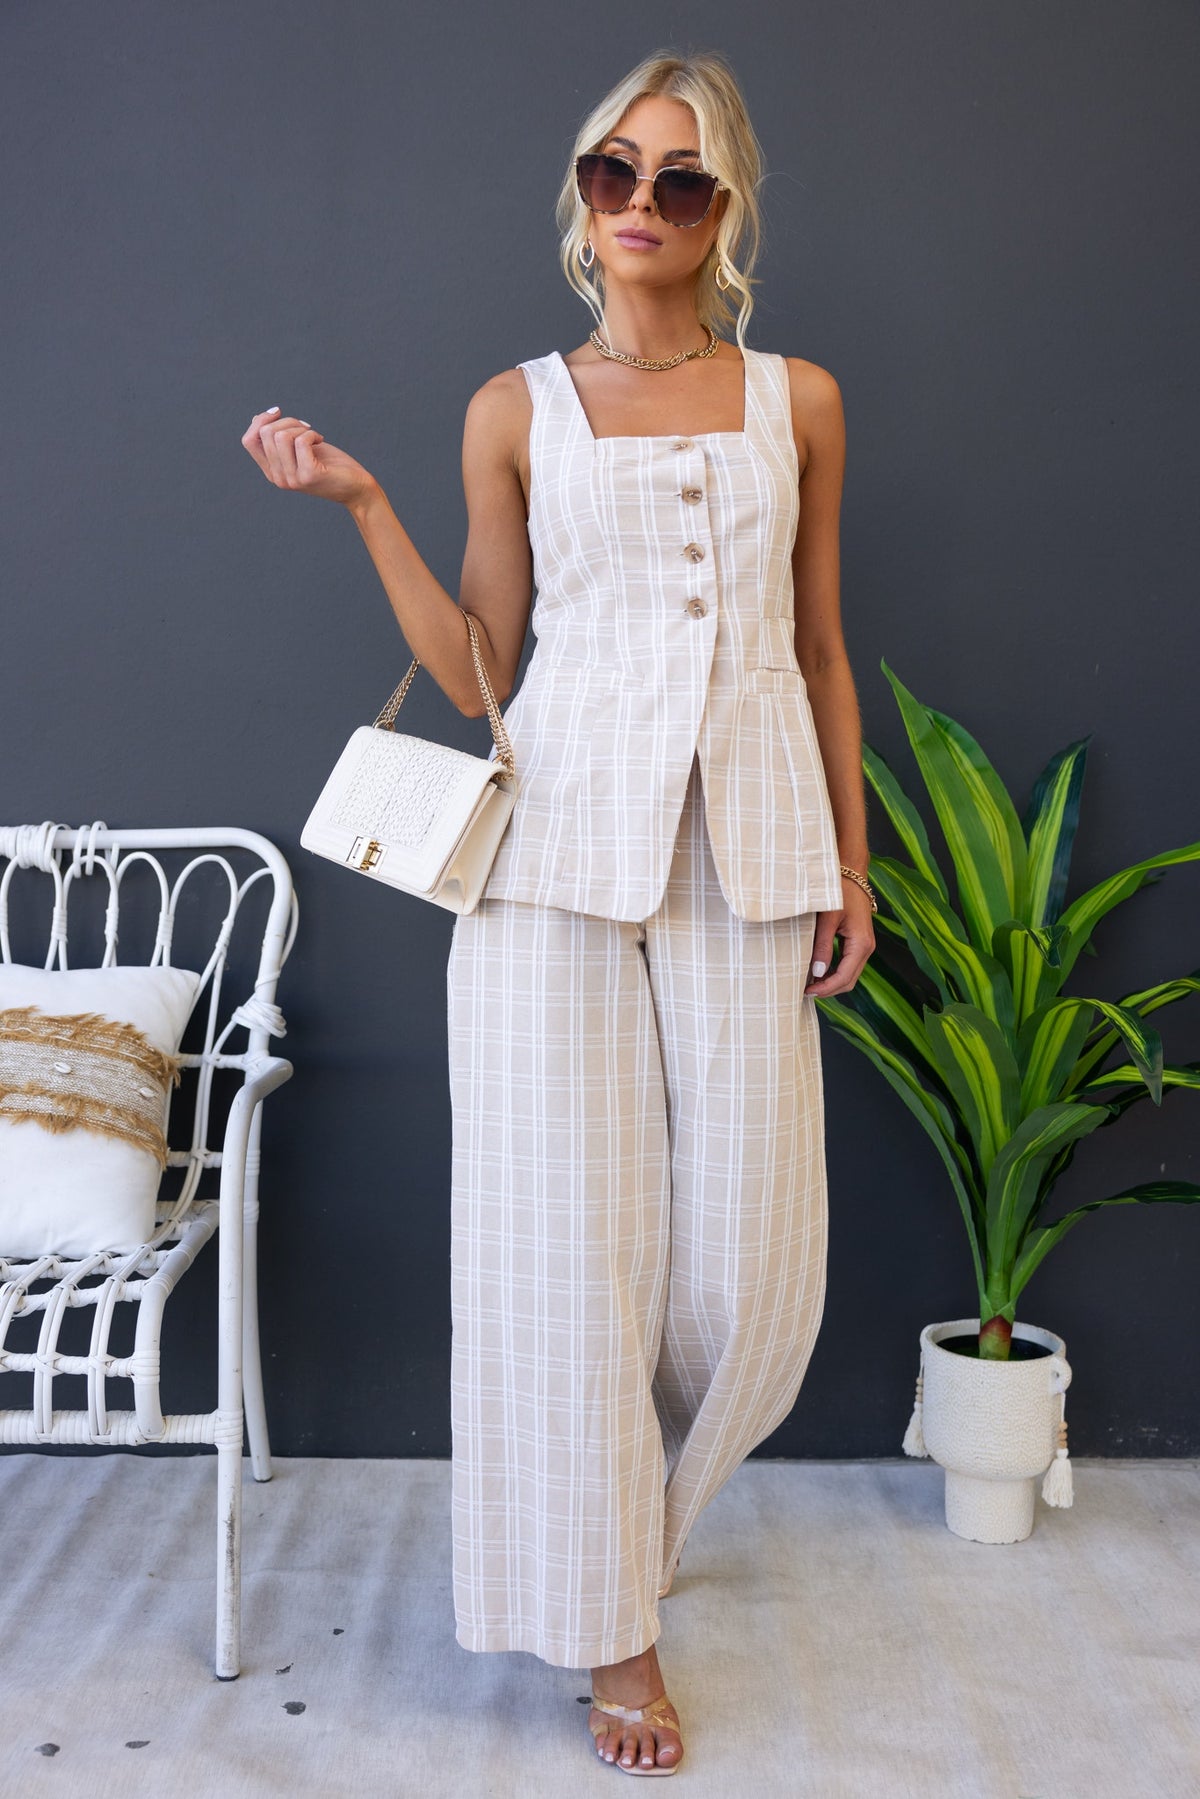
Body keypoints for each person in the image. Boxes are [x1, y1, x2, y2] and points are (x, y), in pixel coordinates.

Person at [242, 47, 875, 1780]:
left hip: (752, 852)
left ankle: (621, 1538)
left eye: (681, 178)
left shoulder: (800, 400)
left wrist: (852, 863)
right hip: (549, 872)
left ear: (725, 209)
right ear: (584, 196)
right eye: (616, 171)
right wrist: (367, 507)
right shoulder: (513, 408)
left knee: (750, 1267)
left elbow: (823, 648)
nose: (643, 203)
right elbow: (479, 672)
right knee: (561, 1257)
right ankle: (614, 1632)